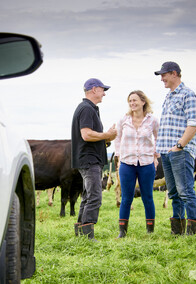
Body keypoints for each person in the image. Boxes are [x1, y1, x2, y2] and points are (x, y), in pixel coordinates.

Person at [154, 61, 196, 235]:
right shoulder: (169, 96)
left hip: (180, 152)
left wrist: (179, 146)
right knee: (173, 192)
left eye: (164, 75)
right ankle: (177, 231)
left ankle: (192, 231)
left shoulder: (188, 95)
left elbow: (194, 123)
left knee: (186, 191)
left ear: (174, 73)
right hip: (166, 152)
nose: (162, 79)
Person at [71, 78, 117, 241]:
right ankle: (88, 235)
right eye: (102, 90)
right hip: (89, 160)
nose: (104, 93)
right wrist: (107, 135)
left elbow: (90, 135)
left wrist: (106, 139)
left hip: (89, 159)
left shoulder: (89, 108)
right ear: (94, 89)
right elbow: (86, 134)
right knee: (95, 196)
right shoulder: (86, 109)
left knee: (88, 196)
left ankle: (81, 233)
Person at [114, 90, 159, 238]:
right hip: (127, 163)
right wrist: (119, 159)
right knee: (126, 198)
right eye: (130, 101)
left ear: (143, 102)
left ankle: (150, 231)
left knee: (148, 197)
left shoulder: (152, 120)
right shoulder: (123, 120)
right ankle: (122, 232)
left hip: (146, 163)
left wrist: (155, 156)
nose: (132, 103)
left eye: (135, 100)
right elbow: (117, 140)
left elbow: (158, 138)